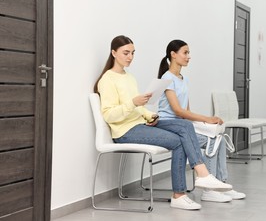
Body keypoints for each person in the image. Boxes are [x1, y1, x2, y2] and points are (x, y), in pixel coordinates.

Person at [94, 35, 232, 210]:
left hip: (140, 123)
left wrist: (150, 115)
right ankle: (182, 192)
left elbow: (138, 109)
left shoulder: (129, 77)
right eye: (126, 53)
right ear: (114, 53)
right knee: (178, 141)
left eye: (133, 53)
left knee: (185, 125)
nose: (130, 57)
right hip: (124, 131)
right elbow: (109, 115)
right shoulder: (107, 79)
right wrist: (133, 103)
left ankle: (198, 178)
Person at [157, 39, 246, 203]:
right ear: (173, 55)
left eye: (189, 53)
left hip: (182, 125)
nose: (189, 56)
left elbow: (187, 112)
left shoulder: (184, 79)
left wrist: (206, 124)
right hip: (168, 125)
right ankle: (209, 190)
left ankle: (221, 184)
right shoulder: (167, 78)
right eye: (185, 52)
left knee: (217, 139)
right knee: (212, 142)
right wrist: (207, 118)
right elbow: (177, 110)